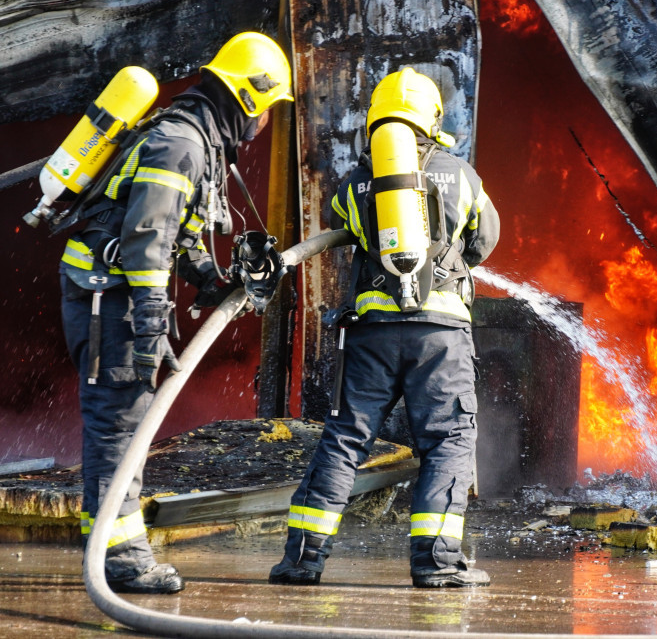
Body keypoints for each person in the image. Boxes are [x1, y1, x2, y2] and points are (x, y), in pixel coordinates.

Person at [59, 31, 293, 594]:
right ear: (248, 99)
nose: (264, 125)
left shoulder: (197, 141)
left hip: (112, 292)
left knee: (123, 421)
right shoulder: (181, 144)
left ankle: (109, 543)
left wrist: (209, 281)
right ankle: (123, 560)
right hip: (108, 298)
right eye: (265, 111)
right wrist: (150, 321)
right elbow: (146, 239)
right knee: (120, 425)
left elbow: (179, 232)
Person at [269, 67, 501, 589]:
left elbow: (343, 223)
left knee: (345, 440)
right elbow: (485, 239)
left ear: (377, 119)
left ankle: (302, 561)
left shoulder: (359, 181)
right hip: (439, 337)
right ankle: (437, 565)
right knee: (446, 442)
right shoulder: (461, 174)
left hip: (372, 334)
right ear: (432, 118)